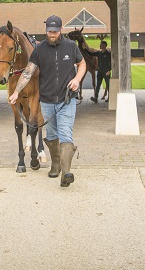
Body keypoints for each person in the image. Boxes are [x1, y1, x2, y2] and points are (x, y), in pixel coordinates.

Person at [9, 15, 86, 187]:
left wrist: (77, 79)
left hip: (67, 99)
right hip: (47, 100)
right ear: (46, 31)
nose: (52, 34)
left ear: (61, 30)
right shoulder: (40, 49)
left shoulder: (71, 46)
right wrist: (16, 92)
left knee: (66, 133)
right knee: (51, 135)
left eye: (55, 31)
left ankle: (66, 172)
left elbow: (82, 64)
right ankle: (56, 164)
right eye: (49, 31)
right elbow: (28, 72)